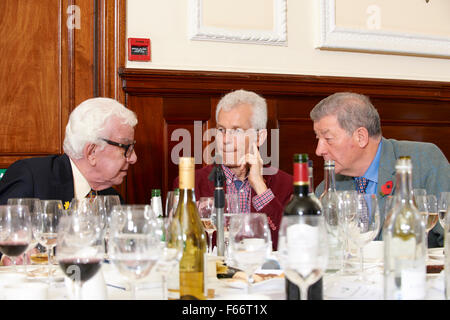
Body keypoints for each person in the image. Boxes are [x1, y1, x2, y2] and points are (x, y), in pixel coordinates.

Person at [0, 97, 138, 263]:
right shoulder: (31, 177)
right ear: (92, 152)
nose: (134, 158)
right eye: (127, 148)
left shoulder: (111, 200)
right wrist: (8, 257)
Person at [311, 92, 449, 247]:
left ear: (361, 137)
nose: (319, 150)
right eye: (318, 139)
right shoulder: (327, 191)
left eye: (328, 139)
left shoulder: (423, 161)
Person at [174, 89, 292, 250]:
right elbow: (180, 244)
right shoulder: (193, 183)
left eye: (237, 131)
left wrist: (259, 186)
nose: (225, 141)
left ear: (259, 137)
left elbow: (288, 244)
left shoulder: (287, 185)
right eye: (221, 130)